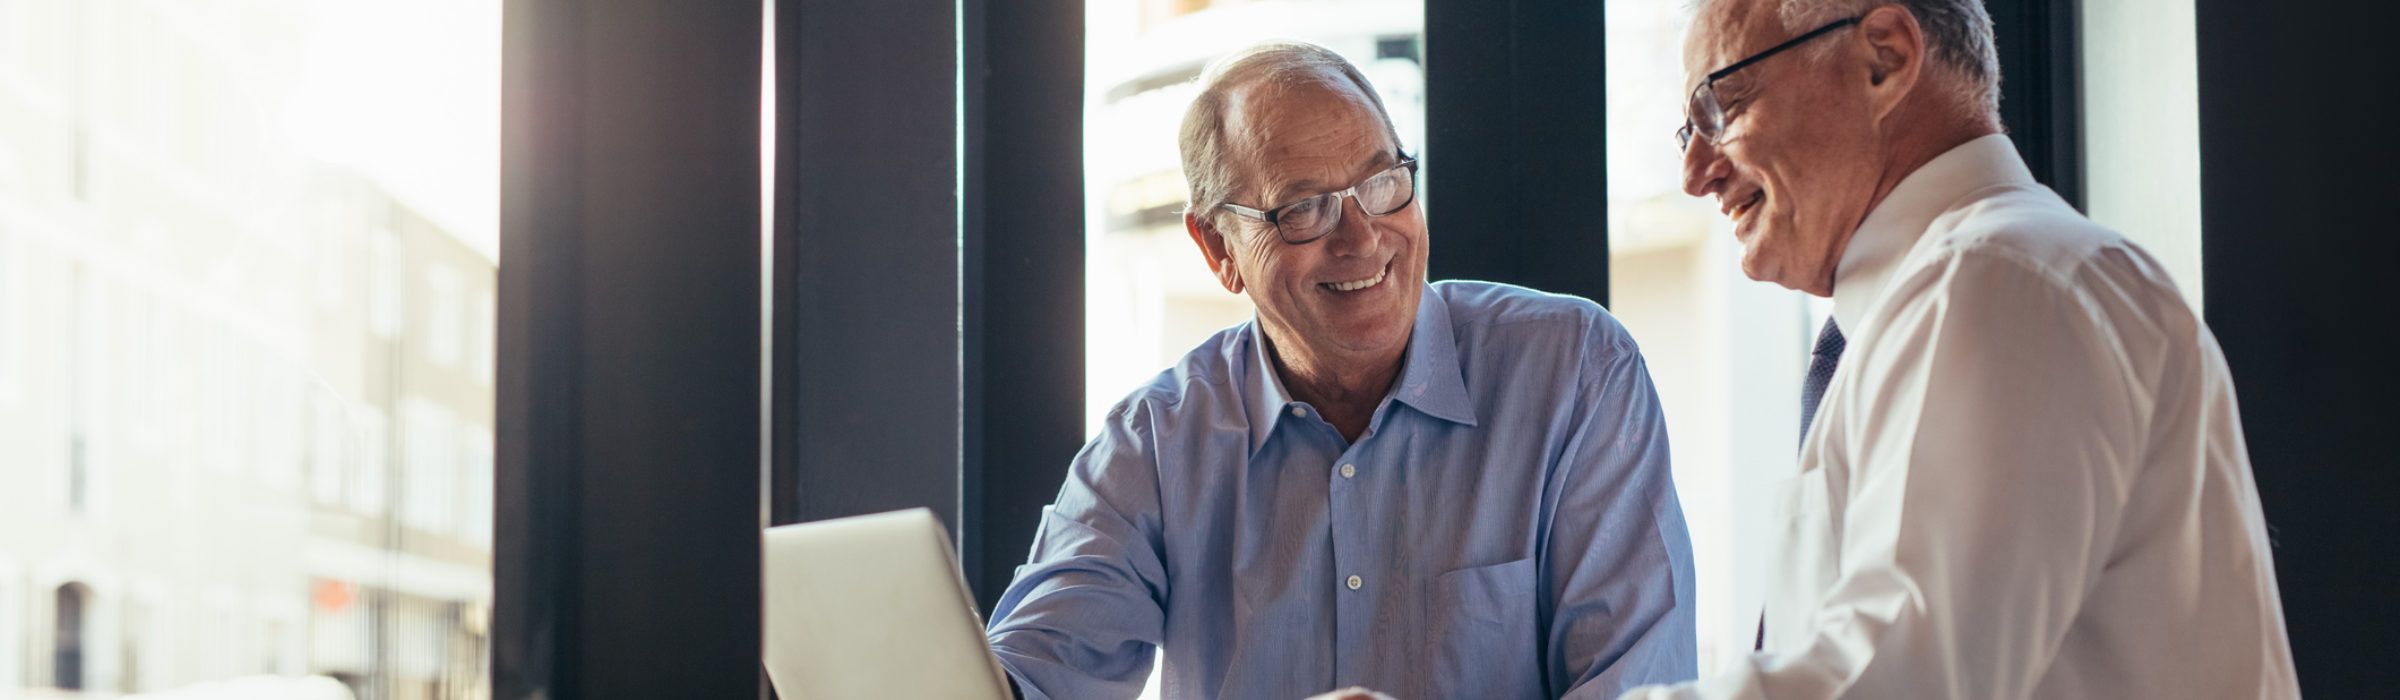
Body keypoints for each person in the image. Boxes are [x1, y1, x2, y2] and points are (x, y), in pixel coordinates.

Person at [1618, 0, 2300, 697]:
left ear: (1884, 57)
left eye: (1722, 106)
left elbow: (1901, 681)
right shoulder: (1977, 288)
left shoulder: (1997, 280)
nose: (1696, 173)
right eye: (1687, 133)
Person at [984, 41, 1697, 700]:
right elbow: (1024, 677)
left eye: (1384, 183)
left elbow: (1638, 686)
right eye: (1303, 209)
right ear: (1217, 248)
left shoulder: (1576, 370)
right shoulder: (1155, 444)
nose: (1363, 238)